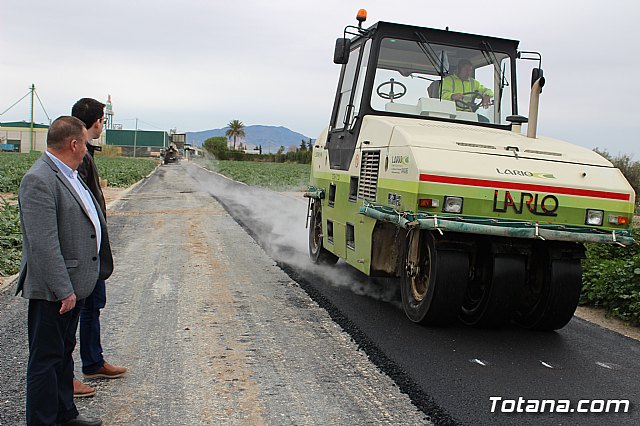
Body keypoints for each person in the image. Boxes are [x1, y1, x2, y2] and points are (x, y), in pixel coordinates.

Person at [17, 116, 113, 426]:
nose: (86, 150)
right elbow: (43, 244)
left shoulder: (68, 174)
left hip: (75, 286)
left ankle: (64, 414)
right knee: (45, 361)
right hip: (54, 291)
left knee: (62, 353)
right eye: (85, 143)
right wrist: (64, 289)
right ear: (74, 144)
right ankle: (43, 421)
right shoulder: (39, 179)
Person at [71, 98, 127, 398]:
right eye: (103, 120)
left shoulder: (85, 154)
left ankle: (93, 362)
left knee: (93, 307)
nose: (103, 125)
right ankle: (66, 377)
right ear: (95, 122)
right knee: (70, 317)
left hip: (93, 251)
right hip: (82, 253)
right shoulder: (76, 157)